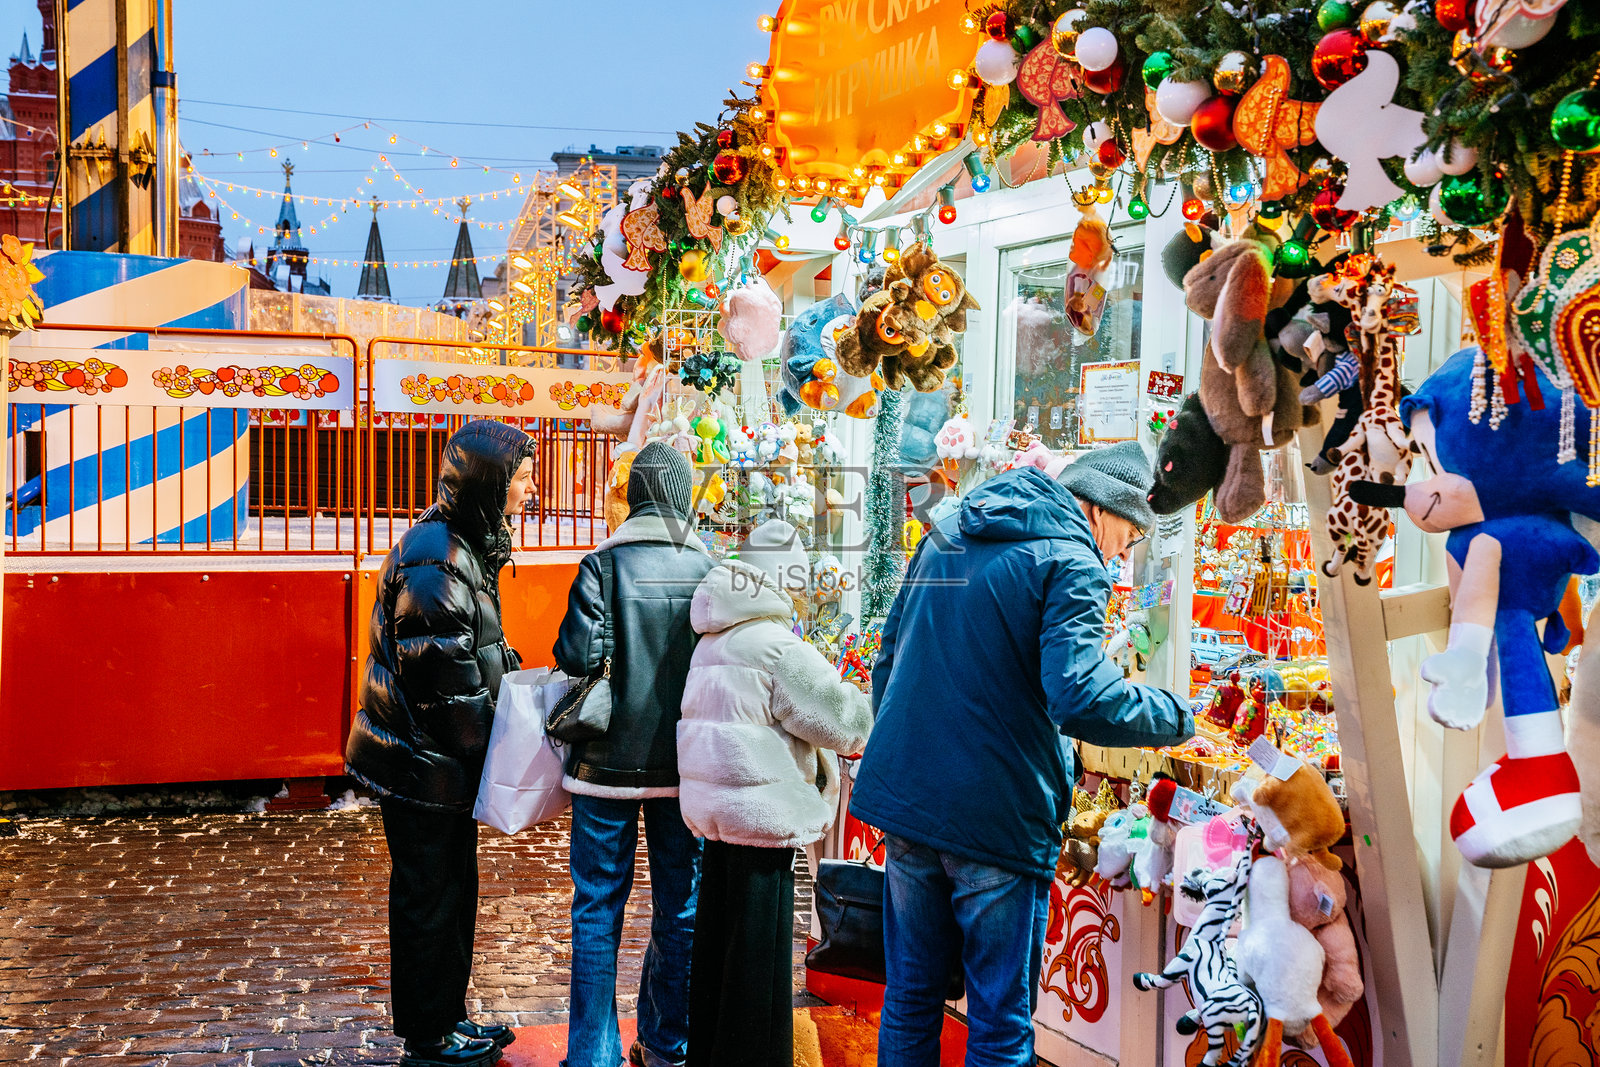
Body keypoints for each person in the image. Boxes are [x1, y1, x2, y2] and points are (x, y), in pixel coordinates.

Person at [851, 440, 1194, 1066]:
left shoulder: (950, 531)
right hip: (996, 818)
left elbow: (887, 655)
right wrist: (1175, 715)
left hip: (908, 802)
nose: (1127, 551)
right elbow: (1082, 697)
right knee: (999, 1024)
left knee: (909, 998)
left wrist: (909, 748)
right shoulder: (1073, 562)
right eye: (1131, 533)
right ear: (1104, 511)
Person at [346, 418, 535, 1067]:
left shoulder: (461, 541)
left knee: (452, 891)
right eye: (522, 475)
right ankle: (430, 1035)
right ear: (490, 481)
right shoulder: (439, 559)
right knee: (429, 897)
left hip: (440, 764)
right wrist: (507, 747)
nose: (531, 487)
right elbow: (444, 686)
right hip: (421, 763)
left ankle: (449, 1017)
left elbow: (472, 654)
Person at [677, 520, 874, 1067]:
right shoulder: (776, 648)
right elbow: (844, 720)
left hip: (717, 825)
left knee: (717, 950)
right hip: (761, 827)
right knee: (757, 962)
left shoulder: (713, 641)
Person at [553, 441, 717, 1067]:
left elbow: (577, 656)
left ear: (637, 493)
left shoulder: (602, 564)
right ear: (681, 494)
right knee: (681, 907)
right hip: (683, 769)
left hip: (604, 769)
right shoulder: (708, 568)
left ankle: (590, 1055)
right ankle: (665, 1043)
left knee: (596, 909)